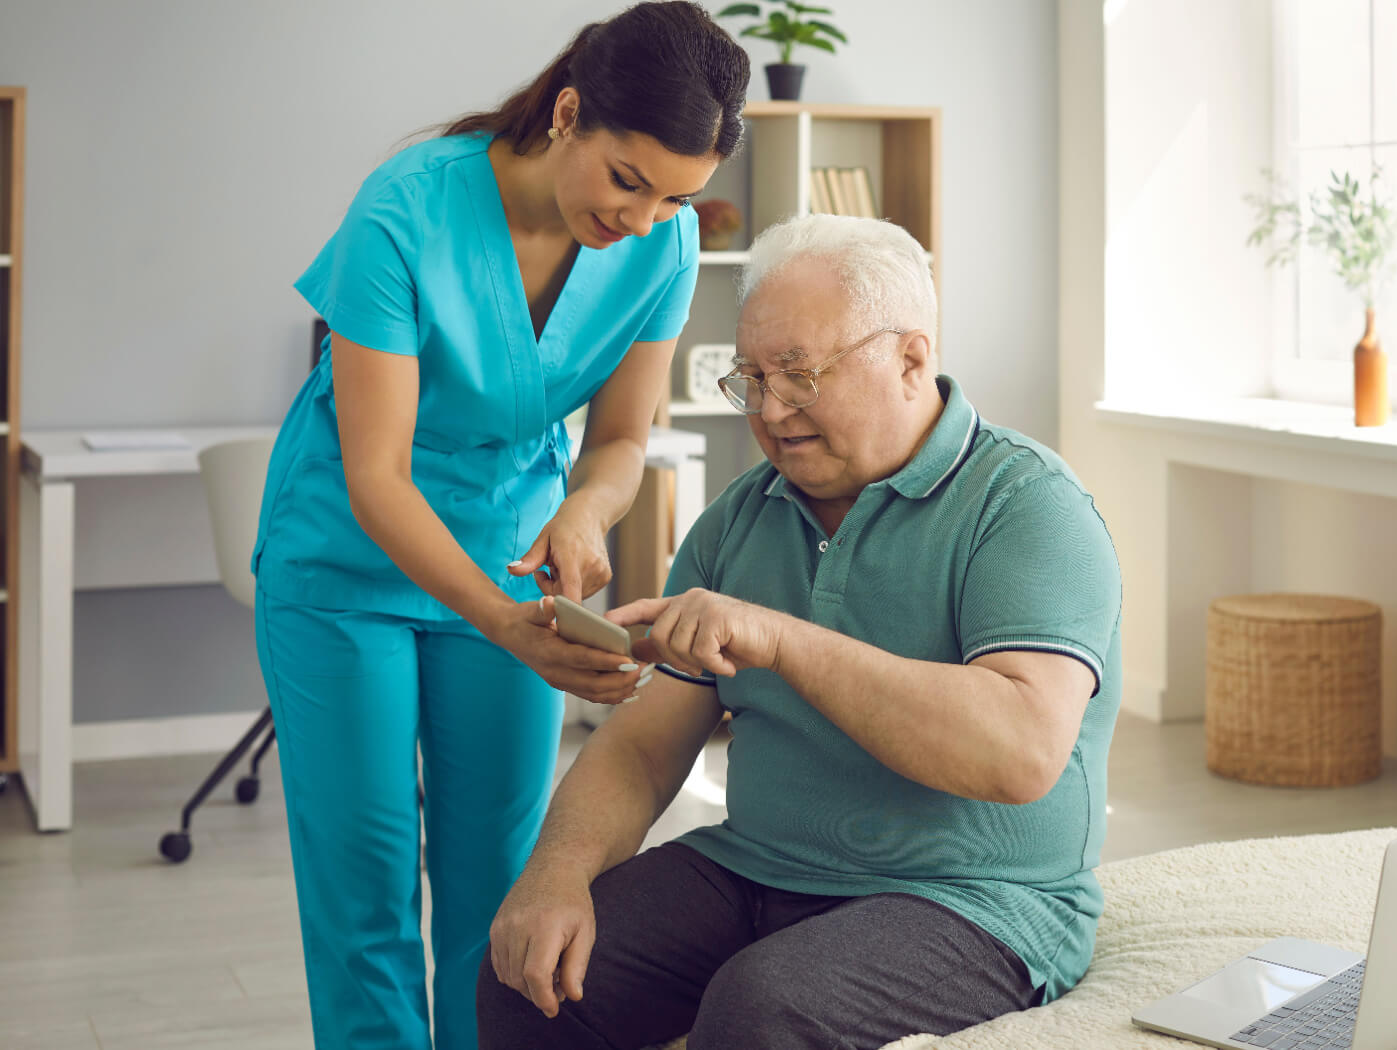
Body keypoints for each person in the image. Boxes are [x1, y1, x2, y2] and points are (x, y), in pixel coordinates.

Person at [476, 214, 1124, 1050]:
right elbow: (644, 745)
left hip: (978, 899)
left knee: (765, 1008)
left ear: (911, 359)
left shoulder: (1027, 505)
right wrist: (556, 873)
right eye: (752, 378)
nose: (772, 410)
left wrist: (778, 639)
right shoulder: (738, 521)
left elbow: (1020, 751)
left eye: (800, 375)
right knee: (530, 975)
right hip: (759, 865)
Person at [249, 5, 749, 1047]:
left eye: (676, 196)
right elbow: (377, 476)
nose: (647, 218)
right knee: (364, 879)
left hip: (512, 559)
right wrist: (496, 616)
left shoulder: (662, 244)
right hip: (348, 558)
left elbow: (619, 440)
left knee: (499, 874)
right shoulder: (406, 207)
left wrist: (584, 508)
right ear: (569, 112)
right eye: (628, 180)